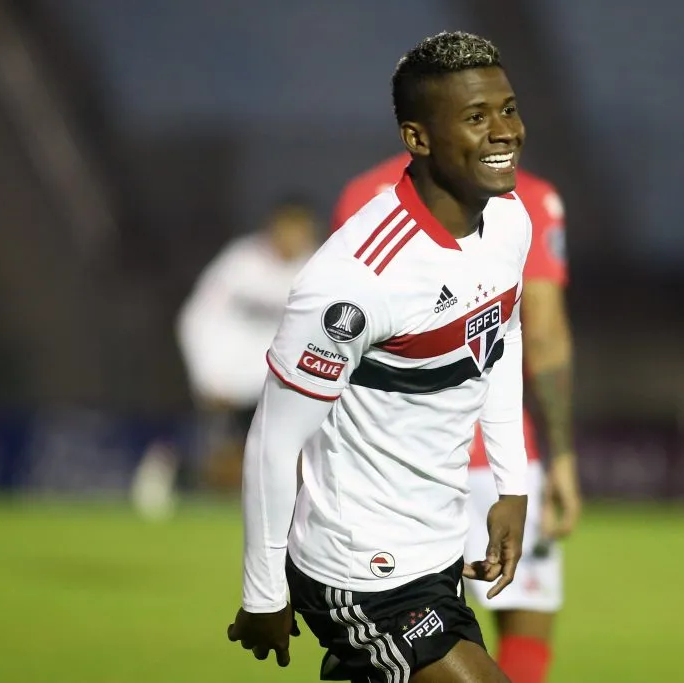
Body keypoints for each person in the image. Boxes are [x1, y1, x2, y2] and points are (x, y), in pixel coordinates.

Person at [226, 31, 534, 682]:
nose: (504, 131)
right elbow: (272, 441)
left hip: (438, 551)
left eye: (507, 108)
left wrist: (511, 483)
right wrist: (263, 592)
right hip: (359, 567)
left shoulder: (509, 221)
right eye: (476, 118)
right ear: (418, 139)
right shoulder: (357, 278)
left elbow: (498, 340)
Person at [332, 153, 579, 683]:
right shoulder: (526, 197)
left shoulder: (364, 194)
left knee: (399, 644)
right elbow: (543, 331)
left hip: (387, 467)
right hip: (497, 463)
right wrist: (561, 456)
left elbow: (338, 339)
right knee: (525, 631)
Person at [130, 197, 320, 517]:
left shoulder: (318, 268)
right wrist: (207, 375)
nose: (295, 237)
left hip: (279, 381)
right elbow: (196, 318)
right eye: (289, 228)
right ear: (274, 227)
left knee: (275, 457)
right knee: (218, 456)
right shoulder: (240, 264)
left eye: (302, 230)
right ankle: (169, 467)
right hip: (229, 379)